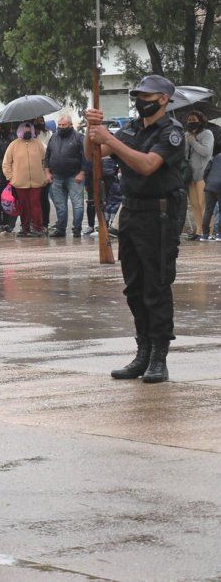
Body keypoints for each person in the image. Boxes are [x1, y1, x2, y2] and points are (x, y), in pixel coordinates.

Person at [86, 75, 186, 384]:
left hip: (160, 215)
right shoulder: (131, 128)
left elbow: (147, 165)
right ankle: (142, 352)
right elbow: (93, 155)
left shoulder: (171, 132)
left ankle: (158, 357)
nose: (140, 101)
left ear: (163, 99)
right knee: (134, 288)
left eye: (147, 96)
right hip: (131, 213)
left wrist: (110, 139)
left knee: (156, 286)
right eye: (138, 95)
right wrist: (92, 132)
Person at [2, 122, 48, 237]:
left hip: (37, 182)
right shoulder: (13, 145)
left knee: (36, 205)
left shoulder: (38, 144)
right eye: (25, 130)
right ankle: (25, 228)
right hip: (19, 183)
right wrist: (12, 178)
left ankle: (38, 228)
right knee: (23, 206)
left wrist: (44, 175)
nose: (27, 132)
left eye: (29, 130)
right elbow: (6, 164)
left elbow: (45, 161)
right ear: (20, 131)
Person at [44, 115, 86, 238]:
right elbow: (47, 155)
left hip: (74, 176)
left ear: (70, 125)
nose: (61, 127)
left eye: (64, 125)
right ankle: (61, 229)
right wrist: (47, 172)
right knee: (60, 205)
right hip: (57, 176)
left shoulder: (79, 137)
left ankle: (77, 229)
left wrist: (82, 173)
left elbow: (86, 157)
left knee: (77, 204)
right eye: (59, 125)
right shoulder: (54, 137)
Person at [184, 111, 214, 241]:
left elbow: (206, 151)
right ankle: (199, 231)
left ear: (200, 121)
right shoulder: (186, 135)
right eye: (189, 120)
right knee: (194, 204)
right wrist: (186, 142)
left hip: (203, 174)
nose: (191, 122)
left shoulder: (207, 134)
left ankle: (208, 231)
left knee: (203, 203)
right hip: (190, 174)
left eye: (194, 119)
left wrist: (193, 142)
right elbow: (184, 154)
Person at [201, 149, 221, 240]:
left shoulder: (215, 157)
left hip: (209, 187)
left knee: (208, 211)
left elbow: (206, 171)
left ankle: (205, 235)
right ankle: (219, 234)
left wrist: (208, 182)